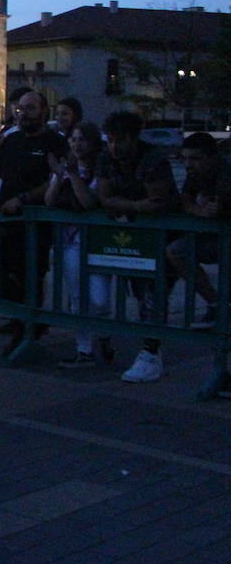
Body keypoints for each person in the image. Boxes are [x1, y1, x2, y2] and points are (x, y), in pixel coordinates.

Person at [0, 89, 67, 351]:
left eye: (30, 109)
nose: (23, 114)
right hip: (5, 220)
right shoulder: (12, 140)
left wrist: (25, 199)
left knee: (31, 273)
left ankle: (29, 326)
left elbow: (55, 180)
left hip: (34, 222)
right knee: (0, 271)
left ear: (43, 112)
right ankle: (18, 317)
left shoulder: (55, 143)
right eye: (19, 109)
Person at [97, 110, 177, 383]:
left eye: (121, 140)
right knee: (141, 291)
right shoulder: (106, 158)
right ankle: (151, 345)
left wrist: (125, 205)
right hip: (134, 233)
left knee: (155, 292)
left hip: (164, 235)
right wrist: (133, 206)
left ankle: (151, 351)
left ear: (134, 139)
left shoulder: (153, 158)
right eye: (110, 140)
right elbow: (104, 197)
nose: (114, 147)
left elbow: (157, 201)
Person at [45, 121, 113, 367]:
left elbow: (88, 202)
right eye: (73, 139)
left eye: (82, 139)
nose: (76, 144)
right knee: (78, 296)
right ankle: (83, 349)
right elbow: (49, 201)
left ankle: (104, 333)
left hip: (97, 241)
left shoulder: (101, 170)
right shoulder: (67, 168)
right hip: (70, 241)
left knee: (100, 299)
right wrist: (59, 175)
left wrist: (72, 175)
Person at [166, 132, 231, 329]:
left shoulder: (225, 174)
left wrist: (205, 209)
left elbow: (217, 207)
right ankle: (217, 304)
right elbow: (185, 199)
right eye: (184, 158)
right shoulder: (195, 175)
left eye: (195, 158)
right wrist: (198, 209)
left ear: (212, 157)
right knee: (176, 251)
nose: (187, 164)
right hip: (216, 237)